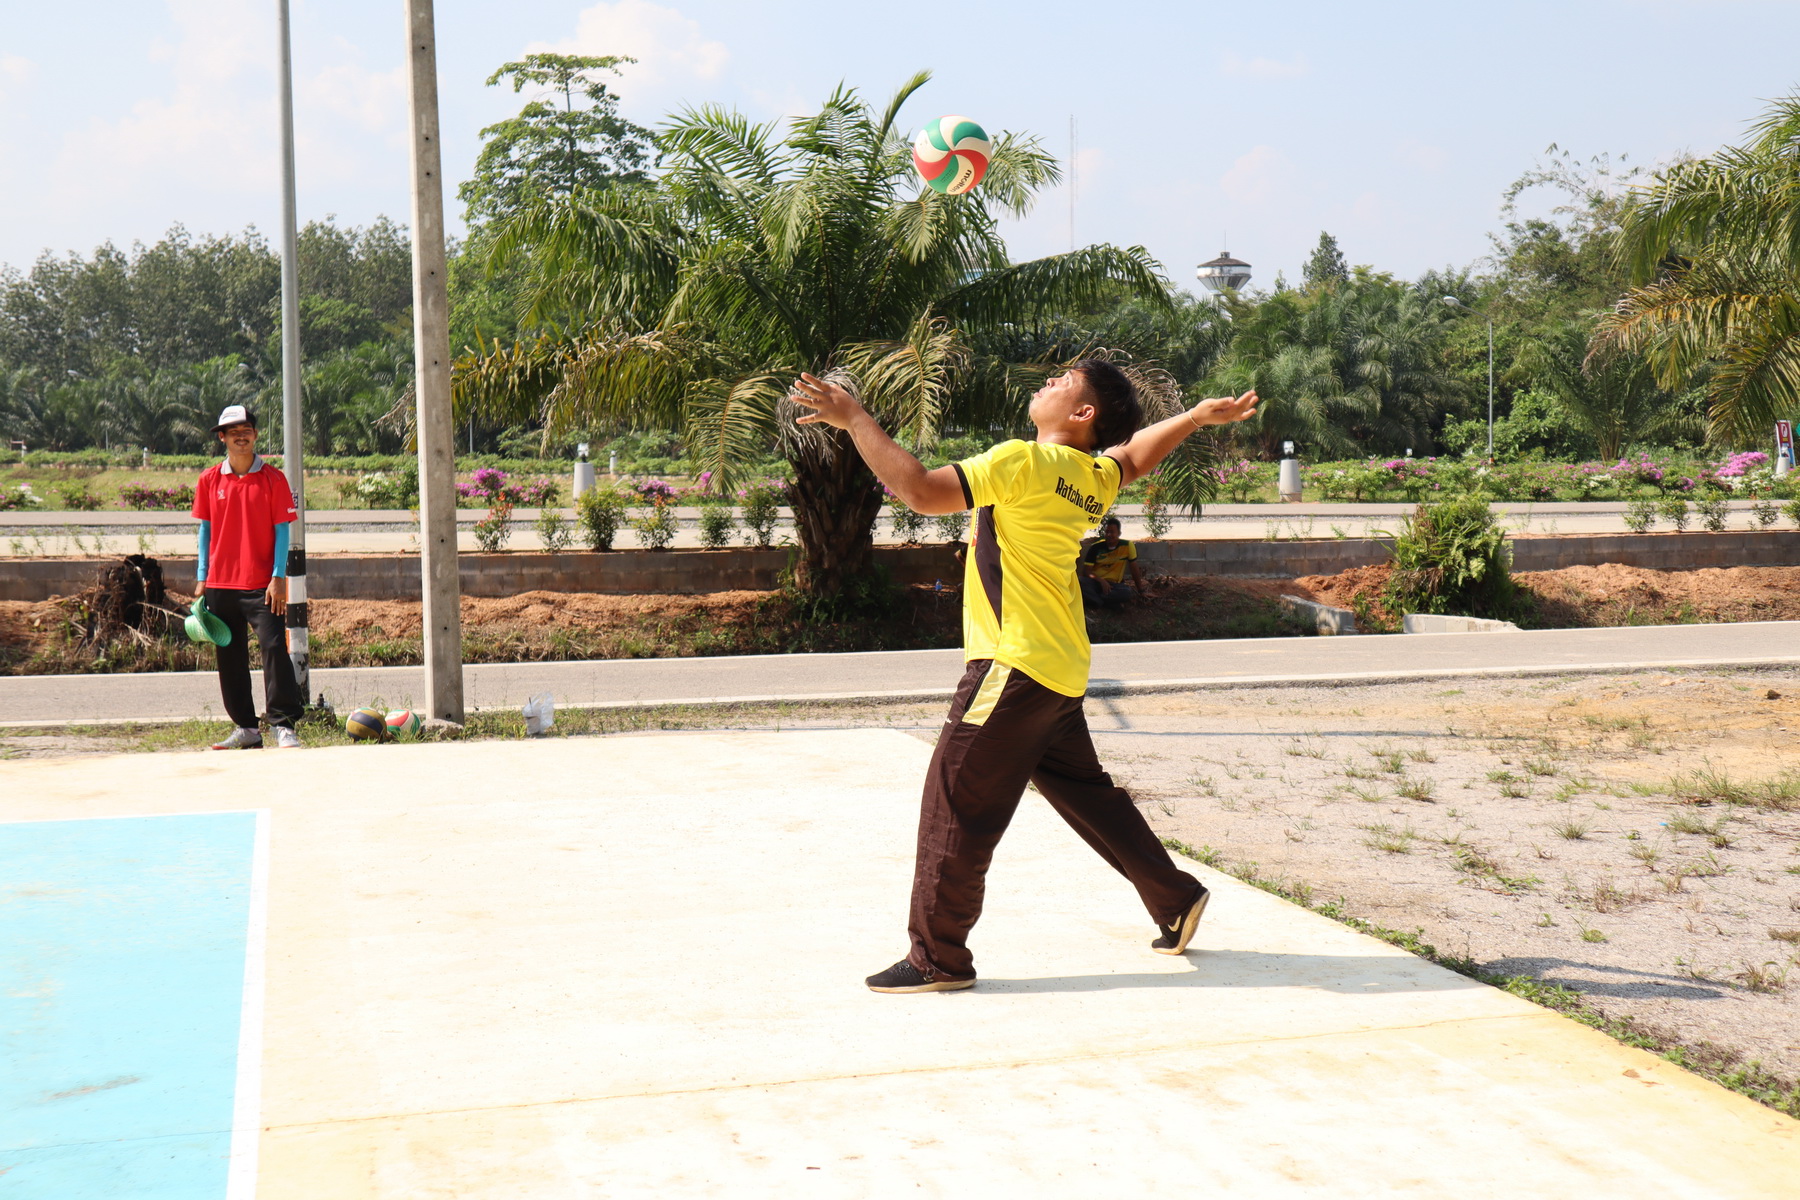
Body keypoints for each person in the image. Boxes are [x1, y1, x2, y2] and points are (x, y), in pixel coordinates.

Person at [788, 362, 1261, 993]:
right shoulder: (1090, 476)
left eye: (1063, 380)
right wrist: (1194, 418)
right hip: (1058, 668)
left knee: (954, 801)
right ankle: (1173, 898)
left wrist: (854, 418)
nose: (1047, 382)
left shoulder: (1024, 462)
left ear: (1083, 413)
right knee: (1087, 795)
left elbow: (922, 492)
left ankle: (937, 958)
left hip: (1011, 664)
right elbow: (1133, 458)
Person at [190, 404, 303, 750]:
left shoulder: (273, 479)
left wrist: (278, 576)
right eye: (233, 431)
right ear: (222, 438)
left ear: (255, 435)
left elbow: (282, 531)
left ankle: (283, 725)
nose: (241, 436)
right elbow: (205, 531)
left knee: (274, 647)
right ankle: (246, 728)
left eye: (247, 430)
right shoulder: (209, 479)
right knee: (230, 657)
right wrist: (202, 576)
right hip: (220, 585)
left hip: (262, 585)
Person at [1080, 515, 1144, 608]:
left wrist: (1141, 591)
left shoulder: (1127, 546)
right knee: (1081, 581)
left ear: (1119, 533)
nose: (1109, 535)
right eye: (1107, 532)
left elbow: (1134, 569)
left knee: (1127, 592)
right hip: (1096, 583)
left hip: (1114, 586)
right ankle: (1106, 603)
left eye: (1112, 532)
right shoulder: (1095, 547)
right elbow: (1087, 572)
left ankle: (1097, 601)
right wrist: (1101, 581)